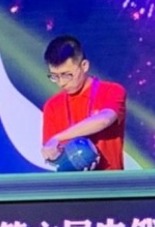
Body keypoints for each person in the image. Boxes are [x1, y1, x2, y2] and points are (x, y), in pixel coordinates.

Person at [41, 36, 126, 170]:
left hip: (110, 180)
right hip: (73, 182)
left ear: (84, 66)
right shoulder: (52, 106)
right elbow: (51, 152)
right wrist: (54, 154)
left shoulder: (112, 91)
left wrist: (59, 137)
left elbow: (104, 120)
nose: (61, 83)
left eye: (66, 75)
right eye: (55, 76)